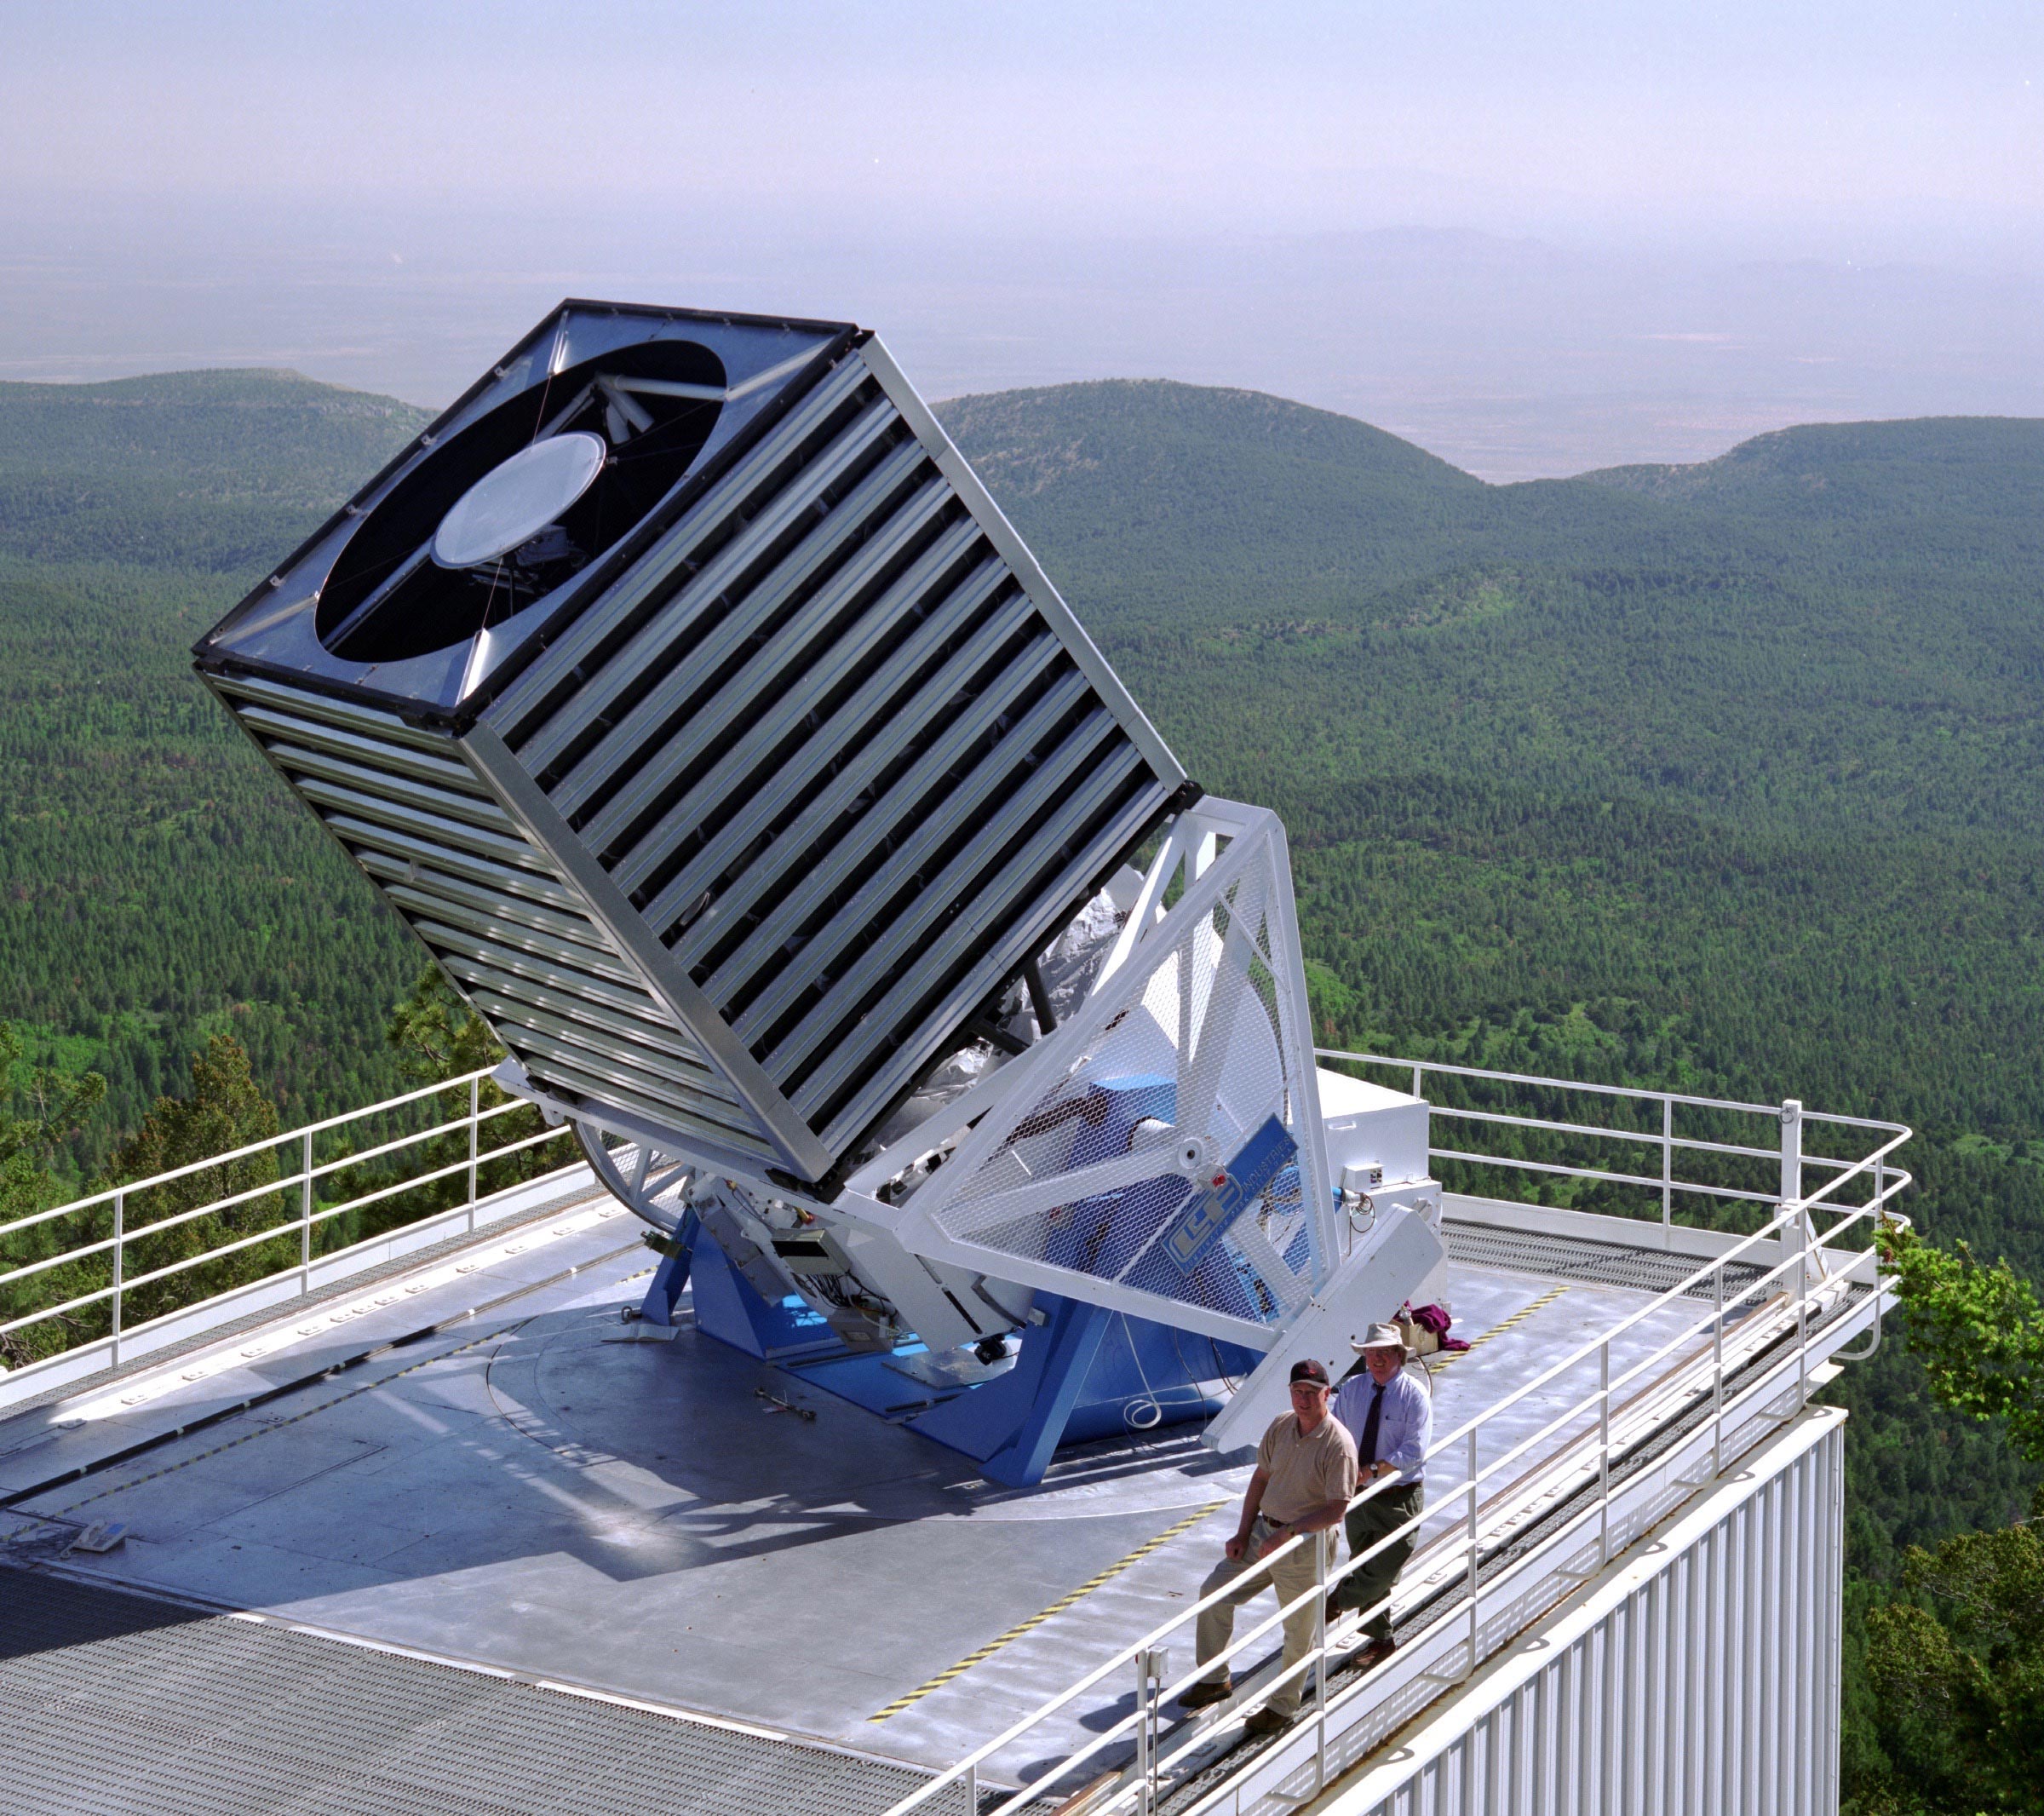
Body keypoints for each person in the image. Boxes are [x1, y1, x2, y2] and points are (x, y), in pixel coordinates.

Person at [1179, 1358, 1358, 1735]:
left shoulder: (1337, 1443)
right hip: (1264, 1532)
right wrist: (1243, 1533)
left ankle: (1282, 1706)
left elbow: (1337, 1509)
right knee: (1215, 1592)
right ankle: (1214, 1679)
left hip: (1305, 1543)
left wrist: (1288, 1533)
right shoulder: (1280, 1425)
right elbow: (1260, 1479)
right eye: (1297, 1391)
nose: (1304, 1399)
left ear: (1327, 1393)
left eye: (1312, 1392)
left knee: (1298, 1630)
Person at [1330, 1322, 1432, 1662]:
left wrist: (1373, 1471)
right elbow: (1336, 1435)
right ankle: (1381, 1641)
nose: (1376, 1359)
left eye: (1384, 1353)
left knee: (1385, 1567)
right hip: (1358, 1496)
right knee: (1364, 1563)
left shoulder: (1414, 1395)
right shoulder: (1351, 1391)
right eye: (1371, 1353)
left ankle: (1334, 1603)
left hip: (1398, 1495)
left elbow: (1414, 1450)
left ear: (1399, 1356)